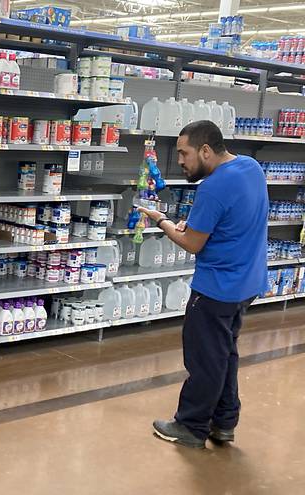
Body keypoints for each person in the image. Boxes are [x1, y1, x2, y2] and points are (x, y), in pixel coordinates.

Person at [138, 120, 268, 449]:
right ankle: (224, 423)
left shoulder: (212, 187)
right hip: (247, 283)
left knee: (205, 359)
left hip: (216, 288)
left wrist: (162, 221)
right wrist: (194, 226)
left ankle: (191, 426)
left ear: (206, 150)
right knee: (225, 354)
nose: (180, 160)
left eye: (184, 153)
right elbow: (232, 221)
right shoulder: (250, 167)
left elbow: (193, 244)